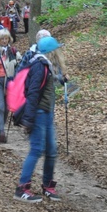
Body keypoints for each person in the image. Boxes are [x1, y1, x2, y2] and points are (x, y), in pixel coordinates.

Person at [13, 36, 66, 203]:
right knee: (36, 149)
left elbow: (47, 86)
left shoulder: (47, 66)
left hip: (47, 113)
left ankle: (48, 185)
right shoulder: (40, 65)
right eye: (57, 50)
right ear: (51, 52)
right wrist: (28, 119)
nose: (60, 53)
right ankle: (22, 188)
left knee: (51, 151)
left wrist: (62, 80)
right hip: (39, 113)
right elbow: (33, 92)